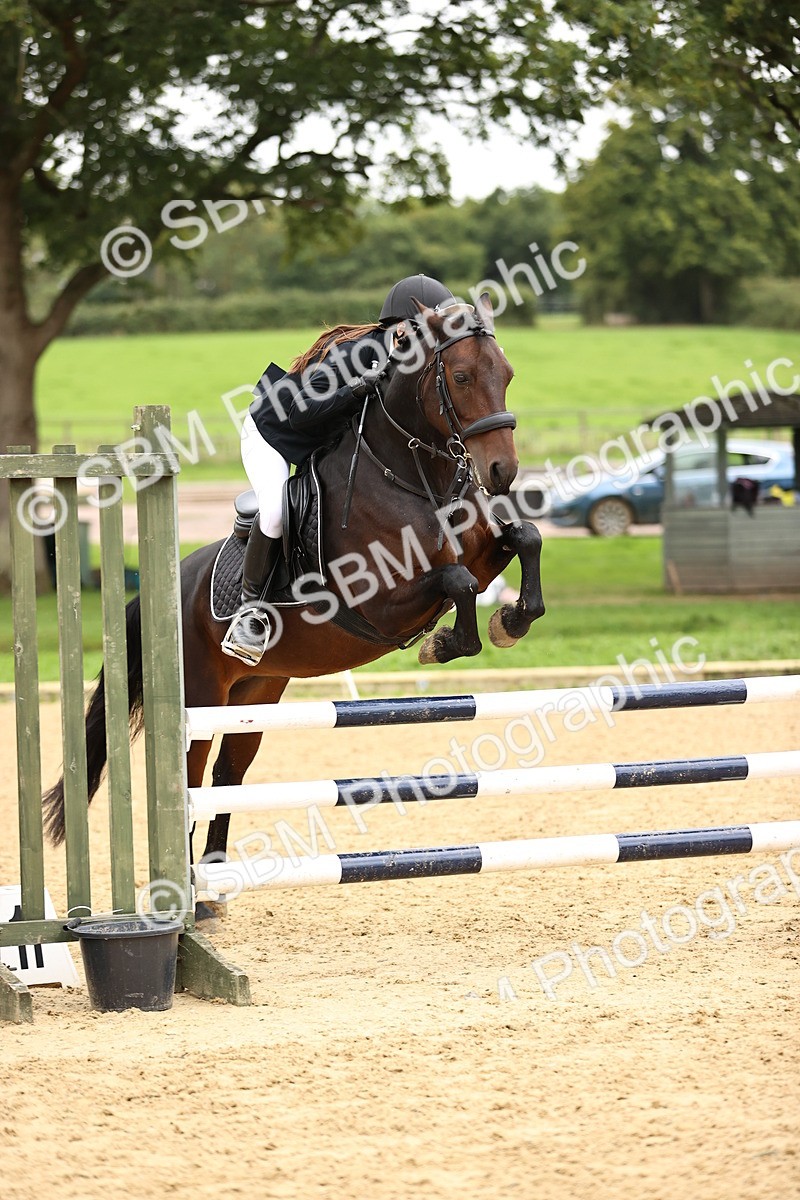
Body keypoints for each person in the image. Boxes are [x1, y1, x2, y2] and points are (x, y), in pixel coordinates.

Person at [222, 273, 456, 665]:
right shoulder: (353, 354)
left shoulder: (413, 362)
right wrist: (358, 387)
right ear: (403, 326)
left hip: (320, 442)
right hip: (273, 433)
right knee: (276, 512)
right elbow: (300, 414)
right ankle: (250, 614)